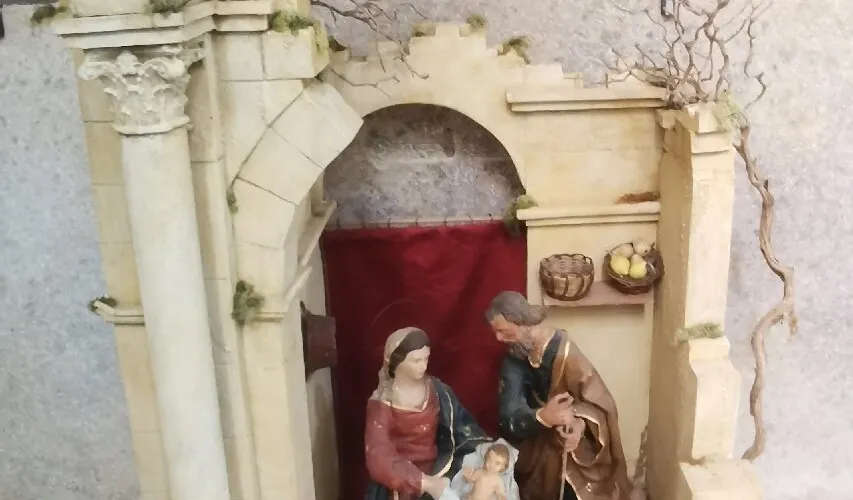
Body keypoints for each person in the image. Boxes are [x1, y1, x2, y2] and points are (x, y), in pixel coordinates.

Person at [485, 292, 632, 500]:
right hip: (534, 441)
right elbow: (508, 414)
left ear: (521, 321)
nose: (498, 339)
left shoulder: (567, 355)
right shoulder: (514, 358)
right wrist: (543, 417)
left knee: (576, 492)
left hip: (572, 444)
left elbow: (602, 405)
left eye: (502, 331)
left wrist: (579, 424)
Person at [365, 327, 493, 500]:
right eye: (416, 361)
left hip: (440, 469)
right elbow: (378, 453)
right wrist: (424, 482)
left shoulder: (438, 390)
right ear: (394, 360)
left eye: (426, 358)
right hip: (400, 479)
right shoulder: (383, 401)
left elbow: (464, 428)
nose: (423, 366)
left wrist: (488, 450)